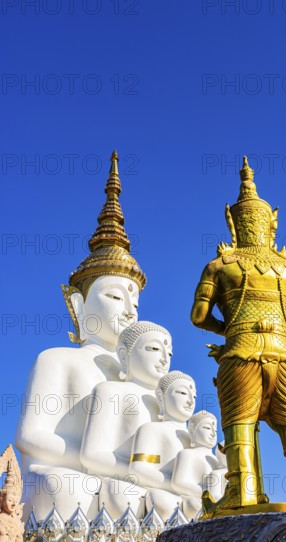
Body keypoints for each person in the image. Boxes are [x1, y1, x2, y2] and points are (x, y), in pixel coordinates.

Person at [191, 156, 286, 514]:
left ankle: (242, 492)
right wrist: (278, 331)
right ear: (272, 225)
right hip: (284, 356)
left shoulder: (219, 265)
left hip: (239, 354)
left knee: (240, 426)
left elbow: (198, 316)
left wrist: (229, 330)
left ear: (233, 224)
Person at [15, 151, 146, 520]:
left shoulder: (139, 381)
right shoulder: (56, 360)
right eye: (115, 296)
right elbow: (31, 436)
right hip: (61, 476)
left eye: (135, 301)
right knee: (69, 487)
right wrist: (105, 461)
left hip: (122, 479)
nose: (129, 310)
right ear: (79, 305)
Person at [80, 320, 172, 519]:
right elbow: (92, 456)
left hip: (162, 489)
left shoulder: (166, 409)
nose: (165, 359)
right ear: (124, 355)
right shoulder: (111, 391)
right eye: (154, 348)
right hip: (122, 483)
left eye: (170, 354)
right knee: (124, 496)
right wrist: (144, 471)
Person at [129, 371, 196, 520]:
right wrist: (176, 484)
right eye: (183, 393)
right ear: (161, 397)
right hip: (164, 499)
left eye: (195, 396)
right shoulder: (152, 429)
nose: (191, 401)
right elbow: (139, 469)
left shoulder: (194, 441)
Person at [171, 411, 218, 519]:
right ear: (192, 430)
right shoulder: (187, 454)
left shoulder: (216, 460)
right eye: (207, 428)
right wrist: (207, 494)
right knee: (195, 507)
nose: (213, 434)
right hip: (193, 499)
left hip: (215, 501)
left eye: (215, 430)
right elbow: (178, 483)